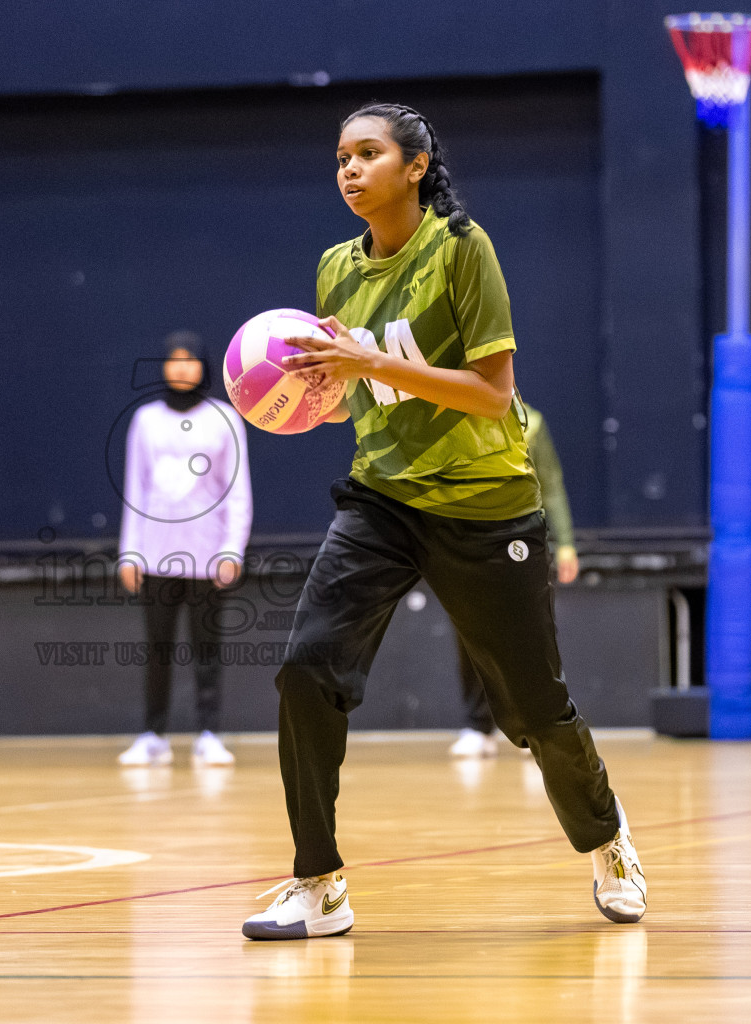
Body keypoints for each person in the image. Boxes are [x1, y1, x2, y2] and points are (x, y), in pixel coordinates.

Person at [240, 103, 646, 940]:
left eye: (368, 153)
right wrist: (303, 397)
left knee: (532, 709)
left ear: (416, 166)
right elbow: (355, 394)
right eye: (342, 157)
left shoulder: (462, 247)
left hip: (484, 503)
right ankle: (317, 882)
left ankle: (607, 838)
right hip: (382, 498)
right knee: (307, 671)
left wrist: (367, 360)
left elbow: (493, 394)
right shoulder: (335, 267)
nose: (350, 169)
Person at [116, 331, 252, 767]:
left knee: (206, 647)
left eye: (189, 359)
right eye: (173, 359)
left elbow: (237, 491)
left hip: (208, 557)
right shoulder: (146, 420)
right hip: (155, 556)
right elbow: (136, 488)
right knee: (157, 647)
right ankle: (152, 734)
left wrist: (232, 550)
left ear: (203, 366)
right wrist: (130, 552)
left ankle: (208, 733)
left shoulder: (225, 419)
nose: (181, 367)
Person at [450, 402, 578, 758]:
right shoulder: (452, 420)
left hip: (522, 539)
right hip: (468, 543)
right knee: (471, 635)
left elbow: (551, 485)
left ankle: (539, 723)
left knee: (531, 635)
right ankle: (479, 726)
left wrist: (566, 544)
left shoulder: (532, 423)